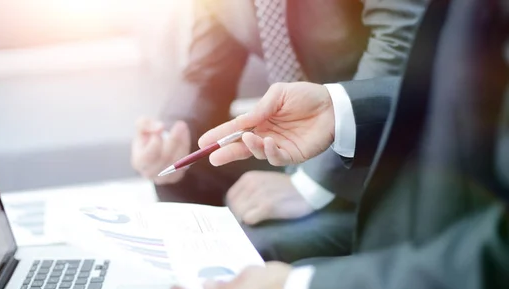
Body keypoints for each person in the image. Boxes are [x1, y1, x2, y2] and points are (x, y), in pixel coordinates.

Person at [171, 0, 509, 289]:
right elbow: (464, 86)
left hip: (437, 234)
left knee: (264, 256)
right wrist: (341, 109)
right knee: (194, 185)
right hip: (386, 162)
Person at [131, 0, 428, 262]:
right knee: (184, 176)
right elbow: (206, 73)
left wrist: (312, 184)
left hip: (384, 150)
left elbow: (402, 48)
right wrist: (170, 135)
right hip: (294, 138)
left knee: (251, 247)